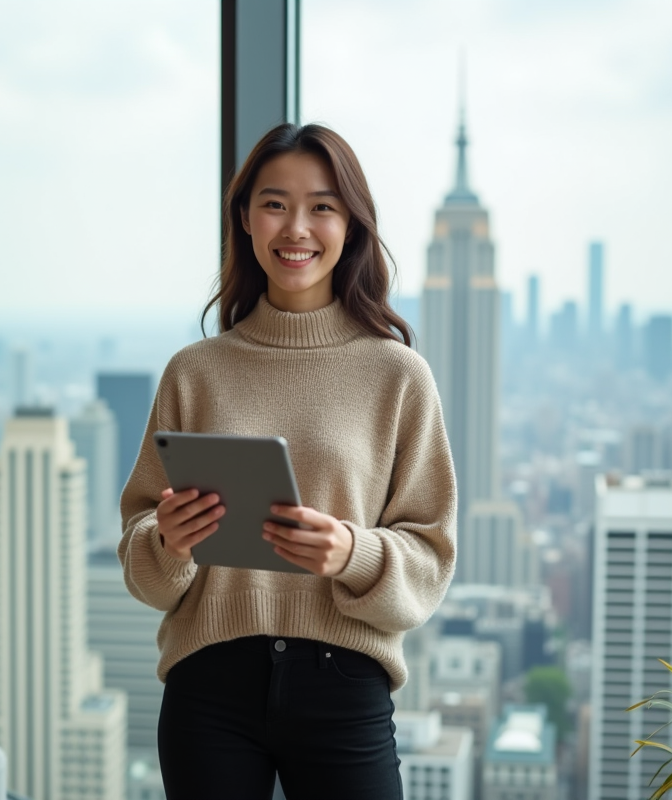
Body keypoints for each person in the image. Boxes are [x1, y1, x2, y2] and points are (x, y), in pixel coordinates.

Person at [118, 122, 457, 800]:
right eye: (274, 203)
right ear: (245, 217)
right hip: (208, 687)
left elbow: (431, 560)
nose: (295, 227)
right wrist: (169, 543)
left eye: (322, 206)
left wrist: (352, 554)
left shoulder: (398, 376)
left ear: (352, 224)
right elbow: (144, 566)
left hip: (345, 684)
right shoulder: (194, 373)